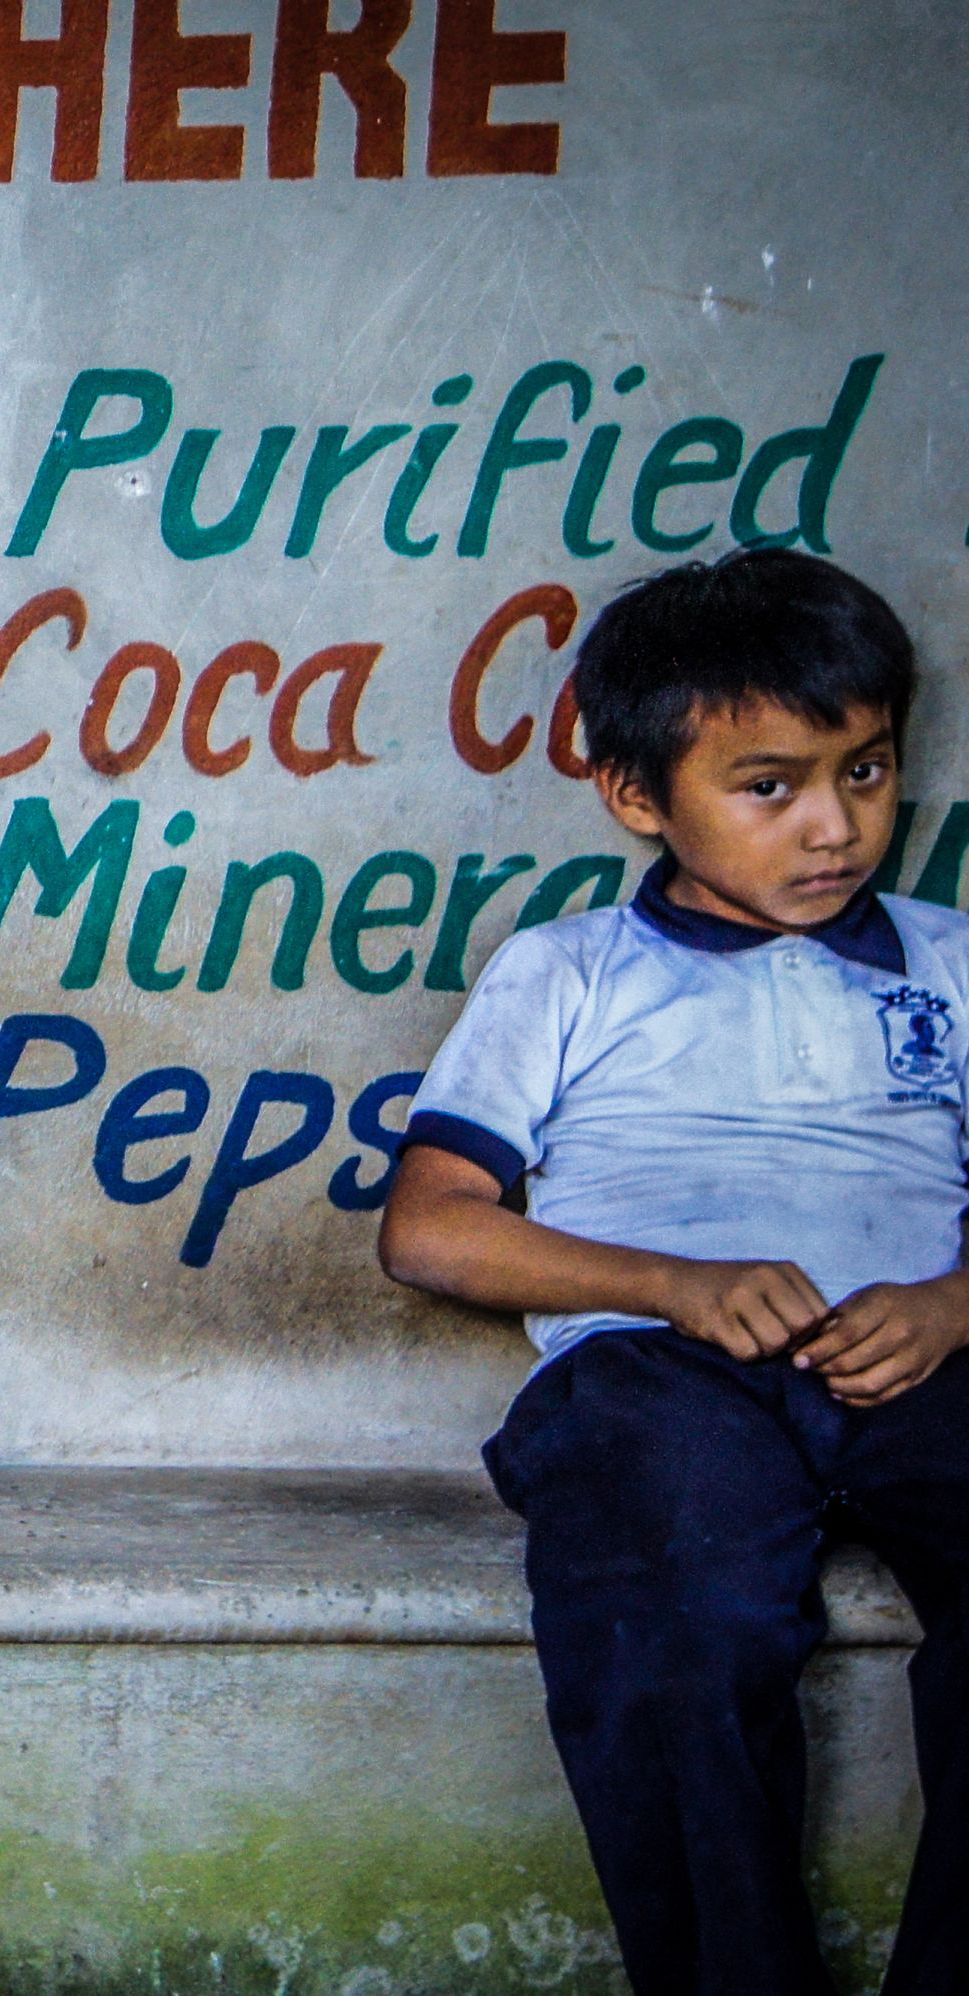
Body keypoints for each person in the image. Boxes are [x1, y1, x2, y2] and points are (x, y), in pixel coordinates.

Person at [379, 549, 968, 1996]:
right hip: (659, 1372)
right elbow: (432, 1225)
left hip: (924, 1360)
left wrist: (956, 1305)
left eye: (869, 772)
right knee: (673, 1621)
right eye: (769, 786)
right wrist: (675, 1285)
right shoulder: (569, 971)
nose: (834, 828)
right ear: (641, 798)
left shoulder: (953, 963)